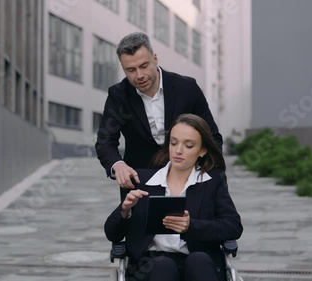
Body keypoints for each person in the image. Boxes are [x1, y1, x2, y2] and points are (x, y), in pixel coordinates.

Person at [104, 114, 243, 281]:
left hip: (199, 260)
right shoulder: (142, 180)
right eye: (174, 143)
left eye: (189, 145)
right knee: (163, 265)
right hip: (150, 264)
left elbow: (233, 226)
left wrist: (191, 226)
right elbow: (112, 234)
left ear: (202, 150)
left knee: (198, 261)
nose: (178, 151)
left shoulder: (212, 182)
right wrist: (125, 210)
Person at [95, 32, 222, 189]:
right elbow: (105, 141)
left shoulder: (187, 88)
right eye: (131, 70)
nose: (139, 75)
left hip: (189, 178)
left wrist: (203, 172)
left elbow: (212, 137)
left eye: (144, 66)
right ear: (123, 68)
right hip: (140, 180)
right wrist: (118, 165)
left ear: (155, 59)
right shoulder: (118, 95)